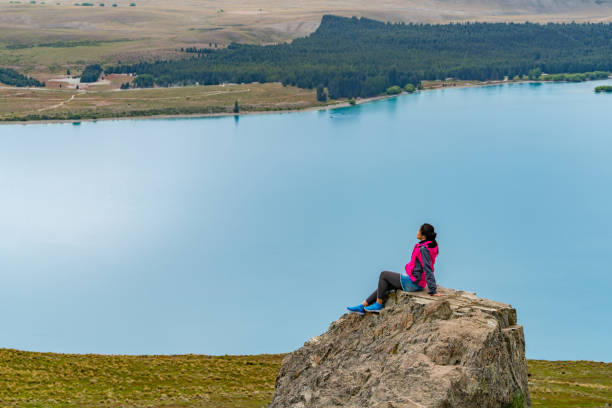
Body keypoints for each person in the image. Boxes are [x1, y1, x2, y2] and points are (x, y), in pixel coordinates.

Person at [347, 223, 441, 315]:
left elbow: (428, 268)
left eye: (419, 230)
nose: (417, 232)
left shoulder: (423, 249)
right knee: (385, 284)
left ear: (423, 236)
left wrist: (433, 290)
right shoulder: (427, 246)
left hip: (414, 283)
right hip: (416, 280)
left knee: (383, 275)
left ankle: (378, 305)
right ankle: (362, 306)